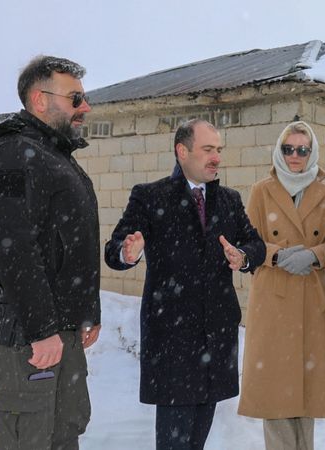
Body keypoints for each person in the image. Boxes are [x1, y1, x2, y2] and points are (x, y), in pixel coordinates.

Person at [104, 118, 266, 450]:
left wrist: (244, 256)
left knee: (198, 439)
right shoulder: (151, 197)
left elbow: (256, 244)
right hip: (173, 340)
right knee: (174, 441)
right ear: (182, 151)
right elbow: (113, 250)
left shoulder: (229, 200)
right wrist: (128, 251)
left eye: (218, 150)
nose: (216, 157)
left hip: (216, 337)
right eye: (208, 149)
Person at [0, 55, 100, 449]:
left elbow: (67, 243)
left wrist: (86, 310)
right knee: (29, 437)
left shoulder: (53, 155)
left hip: (58, 326)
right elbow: (14, 249)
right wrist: (42, 330)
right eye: (75, 98)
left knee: (64, 428)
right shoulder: (13, 156)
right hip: (23, 331)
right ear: (40, 100)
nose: (85, 107)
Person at [237, 121, 325, 449]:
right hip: (273, 301)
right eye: (288, 149)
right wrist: (276, 256)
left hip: (311, 299)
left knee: (306, 394)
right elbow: (247, 243)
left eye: (302, 150)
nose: (294, 156)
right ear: (278, 151)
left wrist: (314, 255)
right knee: (276, 395)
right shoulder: (261, 191)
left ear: (312, 153)